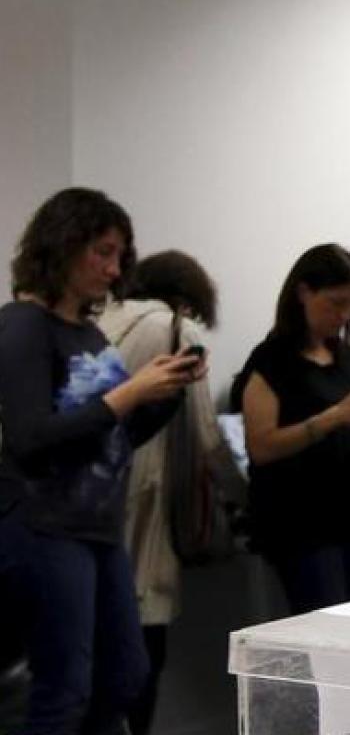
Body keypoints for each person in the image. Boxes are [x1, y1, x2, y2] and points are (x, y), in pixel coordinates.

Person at [0, 188, 203, 735]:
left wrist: (166, 393)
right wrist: (130, 392)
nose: (114, 270)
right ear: (62, 245)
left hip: (96, 528)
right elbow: (30, 436)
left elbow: (113, 436)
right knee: (63, 688)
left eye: (119, 256)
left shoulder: (88, 332)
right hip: (43, 526)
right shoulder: (21, 324)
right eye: (101, 252)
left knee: (124, 674)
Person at [96, 250, 238, 735]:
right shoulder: (179, 331)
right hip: (148, 499)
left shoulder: (103, 319)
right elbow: (205, 437)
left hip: (87, 498)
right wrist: (244, 496)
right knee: (143, 642)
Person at [242, 244, 350, 614]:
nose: (343, 315)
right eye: (334, 303)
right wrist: (332, 418)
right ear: (303, 293)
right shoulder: (271, 361)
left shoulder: (346, 356)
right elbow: (261, 446)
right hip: (304, 524)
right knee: (327, 634)